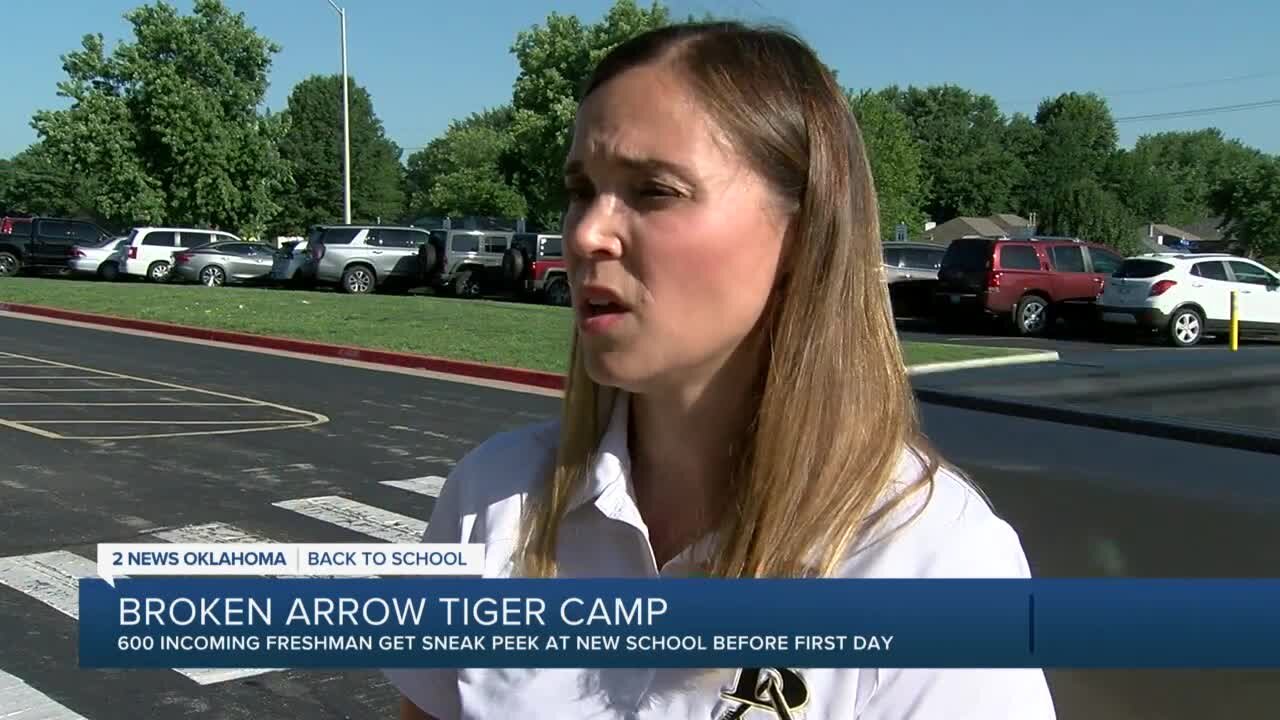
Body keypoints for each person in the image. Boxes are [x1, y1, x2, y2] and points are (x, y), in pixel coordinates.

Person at [387, 20, 1057, 720]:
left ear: (800, 233)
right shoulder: (493, 499)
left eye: (653, 191)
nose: (587, 233)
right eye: (582, 189)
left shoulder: (932, 562)